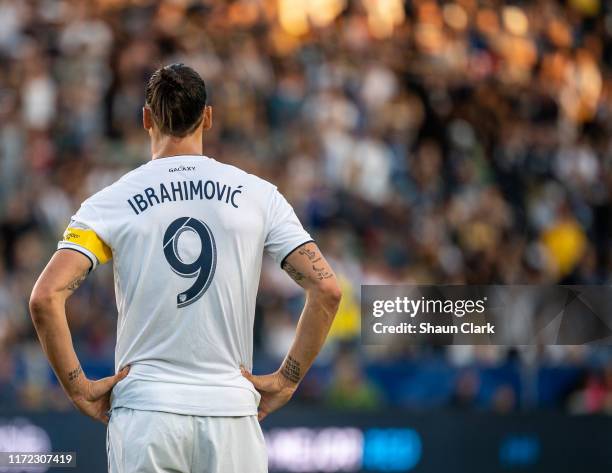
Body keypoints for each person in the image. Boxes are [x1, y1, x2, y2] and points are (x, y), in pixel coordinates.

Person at [29, 63, 342, 473]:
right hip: (230, 412)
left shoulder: (111, 202)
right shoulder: (258, 196)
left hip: (147, 415)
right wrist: (287, 378)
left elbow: (45, 297)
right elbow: (327, 290)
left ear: (146, 118)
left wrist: (78, 387)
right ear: (207, 116)